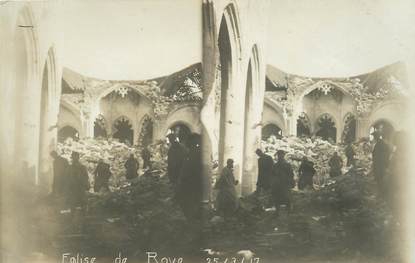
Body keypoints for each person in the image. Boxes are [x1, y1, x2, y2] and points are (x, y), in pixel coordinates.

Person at [176, 133, 203, 221]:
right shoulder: (190, 153)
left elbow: (188, 168)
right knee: (189, 201)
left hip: (192, 182)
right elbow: (184, 167)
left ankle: (192, 218)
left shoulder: (196, 154)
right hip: (190, 182)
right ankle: (191, 217)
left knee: (190, 201)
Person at [271, 150, 295, 216]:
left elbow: (291, 174)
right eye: (279, 155)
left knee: (287, 197)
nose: (280, 156)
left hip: (285, 183)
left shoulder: (287, 165)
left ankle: (289, 211)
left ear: (283, 156)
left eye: (281, 155)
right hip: (277, 184)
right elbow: (272, 174)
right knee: (276, 197)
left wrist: (291, 182)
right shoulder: (275, 165)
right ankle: (277, 211)